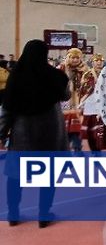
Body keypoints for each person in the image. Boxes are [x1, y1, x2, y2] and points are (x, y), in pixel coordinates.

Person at [0, 40, 70, 227]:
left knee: (16, 175)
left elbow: (6, 109)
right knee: (47, 175)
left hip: (23, 133)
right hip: (50, 132)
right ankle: (44, 214)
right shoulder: (55, 76)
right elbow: (66, 96)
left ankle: (13, 213)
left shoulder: (16, 76)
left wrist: (1, 134)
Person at [58, 48, 89, 151]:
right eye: (72, 57)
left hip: (79, 103)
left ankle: (77, 149)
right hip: (63, 103)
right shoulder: (60, 69)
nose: (75, 60)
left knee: (76, 129)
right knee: (63, 129)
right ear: (68, 57)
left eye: (77, 58)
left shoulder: (85, 70)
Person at [79, 54, 105, 152]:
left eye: (101, 60)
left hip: (102, 104)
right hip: (90, 104)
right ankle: (94, 150)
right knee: (90, 131)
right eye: (96, 60)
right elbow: (83, 89)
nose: (99, 62)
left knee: (100, 130)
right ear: (92, 62)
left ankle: (99, 149)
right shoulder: (88, 74)